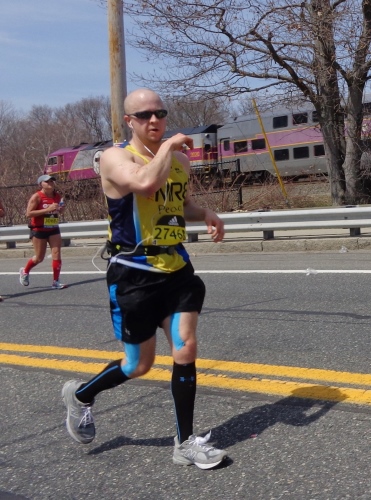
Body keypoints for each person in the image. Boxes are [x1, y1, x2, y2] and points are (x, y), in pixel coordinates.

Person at [61, 88, 228, 469]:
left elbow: (178, 203)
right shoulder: (115, 157)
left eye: (160, 113)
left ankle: (185, 443)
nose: (154, 120)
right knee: (138, 365)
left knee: (185, 347)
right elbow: (145, 184)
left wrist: (205, 213)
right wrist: (168, 147)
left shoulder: (179, 160)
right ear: (129, 121)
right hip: (134, 273)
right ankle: (81, 396)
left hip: (176, 269)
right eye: (144, 115)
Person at [19, 174, 67, 289]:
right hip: (39, 229)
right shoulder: (37, 197)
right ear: (41, 184)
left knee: (56, 253)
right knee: (39, 258)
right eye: (47, 182)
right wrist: (47, 209)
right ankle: (25, 271)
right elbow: (28, 213)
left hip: (53, 227)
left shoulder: (57, 196)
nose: (50, 183)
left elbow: (60, 211)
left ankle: (56, 281)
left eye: (52, 181)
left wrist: (61, 209)